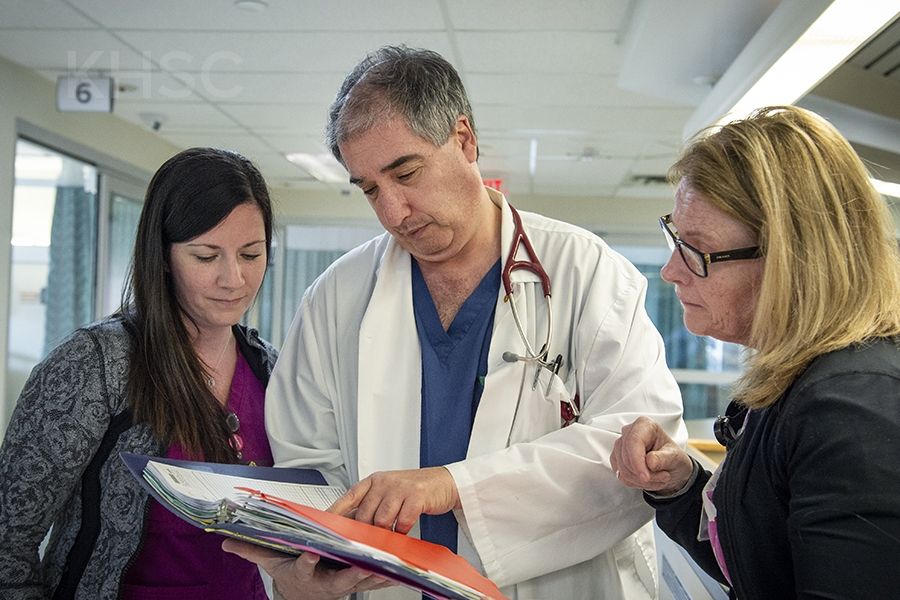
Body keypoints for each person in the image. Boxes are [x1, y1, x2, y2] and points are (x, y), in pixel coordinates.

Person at [224, 45, 686, 600]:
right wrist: (305, 567)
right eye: (370, 189)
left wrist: (452, 486)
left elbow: (641, 447)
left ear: (464, 139)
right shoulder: (336, 298)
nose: (393, 211)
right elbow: (307, 464)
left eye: (406, 172)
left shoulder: (586, 273)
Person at [610, 106, 900, 599]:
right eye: (675, 238)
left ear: (792, 259)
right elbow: (762, 559)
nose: (671, 271)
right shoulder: (798, 382)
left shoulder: (851, 406)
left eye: (697, 250)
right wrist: (681, 485)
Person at [0, 147, 279, 599]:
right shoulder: (95, 364)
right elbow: (8, 538)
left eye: (251, 254)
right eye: (206, 257)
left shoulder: (269, 369)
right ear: (164, 256)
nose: (235, 279)